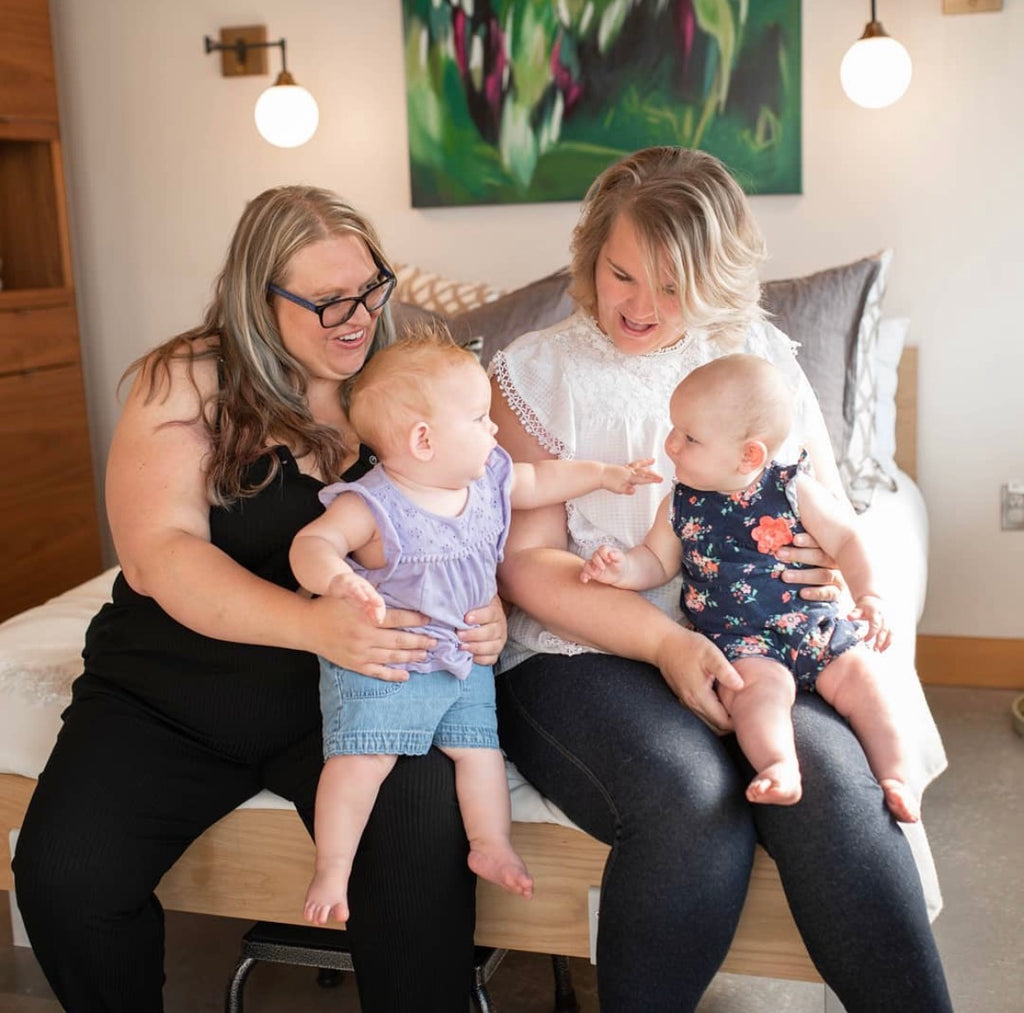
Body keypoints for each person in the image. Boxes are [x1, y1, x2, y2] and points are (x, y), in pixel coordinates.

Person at [11, 185, 510, 1012]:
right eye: (325, 301)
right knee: (66, 877)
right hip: (170, 687)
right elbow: (158, 556)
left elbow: (478, 515)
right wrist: (314, 622)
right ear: (257, 296)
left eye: (370, 287)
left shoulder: (406, 383)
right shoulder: (188, 379)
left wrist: (486, 613)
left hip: (341, 699)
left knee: (417, 841)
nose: (355, 316)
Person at [489, 146, 952, 1011]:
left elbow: (817, 504)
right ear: (591, 248)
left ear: (716, 280)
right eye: (622, 273)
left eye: (673, 289)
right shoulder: (531, 374)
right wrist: (667, 644)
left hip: (757, 634)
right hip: (581, 650)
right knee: (690, 795)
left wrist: (825, 564)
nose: (641, 308)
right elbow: (528, 568)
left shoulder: (754, 354)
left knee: (831, 784)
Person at [290, 326, 661, 925]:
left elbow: (542, 480)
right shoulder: (373, 503)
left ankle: (491, 846)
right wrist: (339, 580)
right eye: (480, 418)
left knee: (479, 753)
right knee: (362, 760)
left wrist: (603, 474)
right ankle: (333, 868)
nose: (493, 431)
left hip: (464, 661)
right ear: (423, 438)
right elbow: (312, 544)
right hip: (388, 665)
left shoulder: (487, 480)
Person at [580, 352, 919, 822]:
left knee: (865, 681)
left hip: (812, 625)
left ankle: (898, 775)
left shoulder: (792, 489)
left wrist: (870, 596)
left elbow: (847, 538)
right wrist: (620, 569)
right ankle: (779, 764)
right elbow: (656, 560)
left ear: (749, 455)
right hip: (741, 644)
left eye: (689, 437)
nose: (671, 445)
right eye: (674, 430)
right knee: (755, 695)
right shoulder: (681, 505)